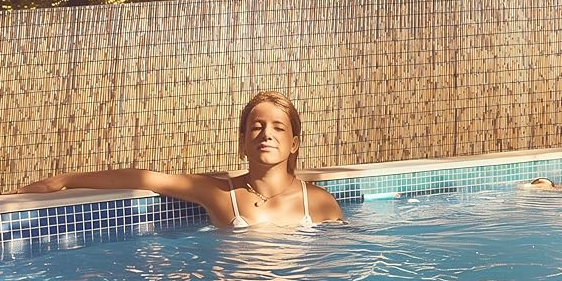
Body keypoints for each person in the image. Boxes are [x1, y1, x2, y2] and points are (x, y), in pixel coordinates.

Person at [17, 91, 343, 229]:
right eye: (256, 127)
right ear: (243, 143)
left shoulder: (319, 202)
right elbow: (145, 178)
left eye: (278, 128)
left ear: (294, 143)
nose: (266, 134)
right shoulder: (221, 194)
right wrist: (65, 180)